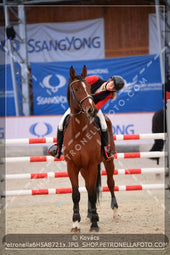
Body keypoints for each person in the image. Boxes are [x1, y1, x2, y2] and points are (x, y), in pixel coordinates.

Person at [48, 75, 125, 160]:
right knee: (61, 123)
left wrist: (90, 112)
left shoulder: (109, 94)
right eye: (113, 84)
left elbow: (99, 105)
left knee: (103, 124)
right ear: (110, 80)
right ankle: (58, 148)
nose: (112, 87)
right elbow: (80, 86)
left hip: (92, 108)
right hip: (78, 105)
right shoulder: (95, 79)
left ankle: (106, 149)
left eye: (114, 88)